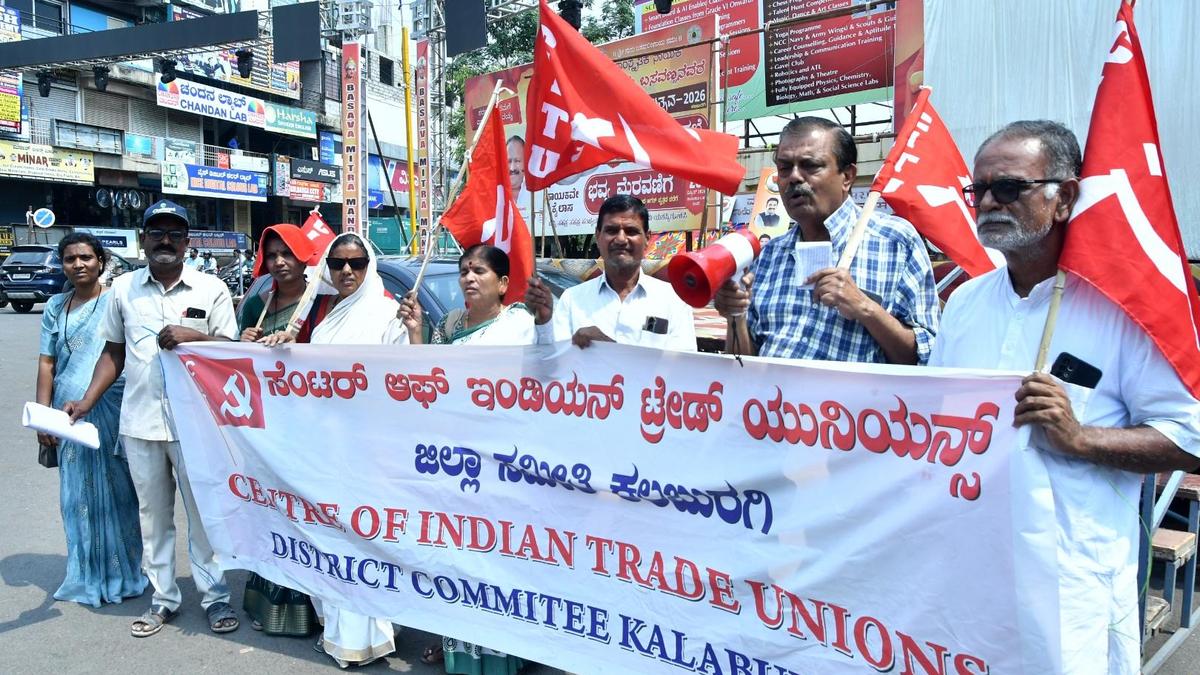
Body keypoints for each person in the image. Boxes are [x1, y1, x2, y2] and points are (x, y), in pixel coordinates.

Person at [930, 120, 1200, 673]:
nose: (988, 202)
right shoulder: (965, 302)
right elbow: (936, 418)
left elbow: (1190, 437)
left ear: (1065, 198)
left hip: (1070, 578)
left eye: (1009, 187)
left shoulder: (1123, 312)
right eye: (978, 190)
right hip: (966, 565)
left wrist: (1080, 438)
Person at [64, 199, 240, 638]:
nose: (165, 241)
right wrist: (86, 401)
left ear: (187, 242)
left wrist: (194, 337)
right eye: (157, 233)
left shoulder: (211, 289)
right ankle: (164, 598)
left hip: (197, 426)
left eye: (174, 234)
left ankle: (215, 597)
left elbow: (232, 352)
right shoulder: (123, 289)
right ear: (143, 240)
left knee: (203, 516)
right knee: (153, 517)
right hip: (140, 422)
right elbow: (113, 352)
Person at [261, 233, 405, 667]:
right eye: (338, 263)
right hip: (325, 448)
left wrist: (414, 330)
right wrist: (279, 351)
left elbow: (407, 382)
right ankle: (340, 632)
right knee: (331, 540)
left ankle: (369, 633)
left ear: (368, 267)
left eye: (356, 263)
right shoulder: (324, 319)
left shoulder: (388, 315)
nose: (346, 271)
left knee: (366, 542)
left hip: (371, 450)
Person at [398, 245, 531, 674]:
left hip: (501, 461)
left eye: (479, 271)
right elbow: (429, 382)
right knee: (453, 555)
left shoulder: (520, 325)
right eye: (464, 271)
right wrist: (415, 332)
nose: (469, 278)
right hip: (452, 458)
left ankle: (507, 650)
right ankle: (454, 641)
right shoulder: (450, 324)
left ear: (504, 284)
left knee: (497, 558)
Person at [714, 117, 938, 364]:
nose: (794, 177)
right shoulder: (769, 255)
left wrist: (865, 308)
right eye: (784, 167)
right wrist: (735, 315)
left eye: (810, 165)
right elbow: (744, 367)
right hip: (769, 390)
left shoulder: (895, 242)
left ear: (847, 176)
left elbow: (927, 359)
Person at [34, 232, 146, 608]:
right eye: (70, 259)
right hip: (67, 415)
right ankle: (84, 575)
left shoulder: (117, 300)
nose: (78, 264)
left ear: (101, 261)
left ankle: (123, 573)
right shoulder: (55, 306)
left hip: (111, 410)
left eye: (86, 257)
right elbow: (46, 363)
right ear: (62, 264)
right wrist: (44, 417)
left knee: (119, 495)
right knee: (75, 497)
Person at [236, 224, 319, 637]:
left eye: (287, 253)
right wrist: (243, 341)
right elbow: (235, 360)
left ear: (303, 256)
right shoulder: (258, 302)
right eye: (271, 255)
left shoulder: (320, 303)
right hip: (268, 425)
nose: (280, 262)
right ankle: (271, 602)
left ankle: (314, 605)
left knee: (306, 512)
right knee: (271, 509)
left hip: (309, 427)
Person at [525, 194, 696, 351]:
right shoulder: (572, 300)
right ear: (598, 236)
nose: (621, 239)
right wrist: (544, 321)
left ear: (647, 239)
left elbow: (683, 368)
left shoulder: (673, 301)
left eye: (631, 231)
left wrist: (609, 349)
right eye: (612, 230)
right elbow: (552, 362)